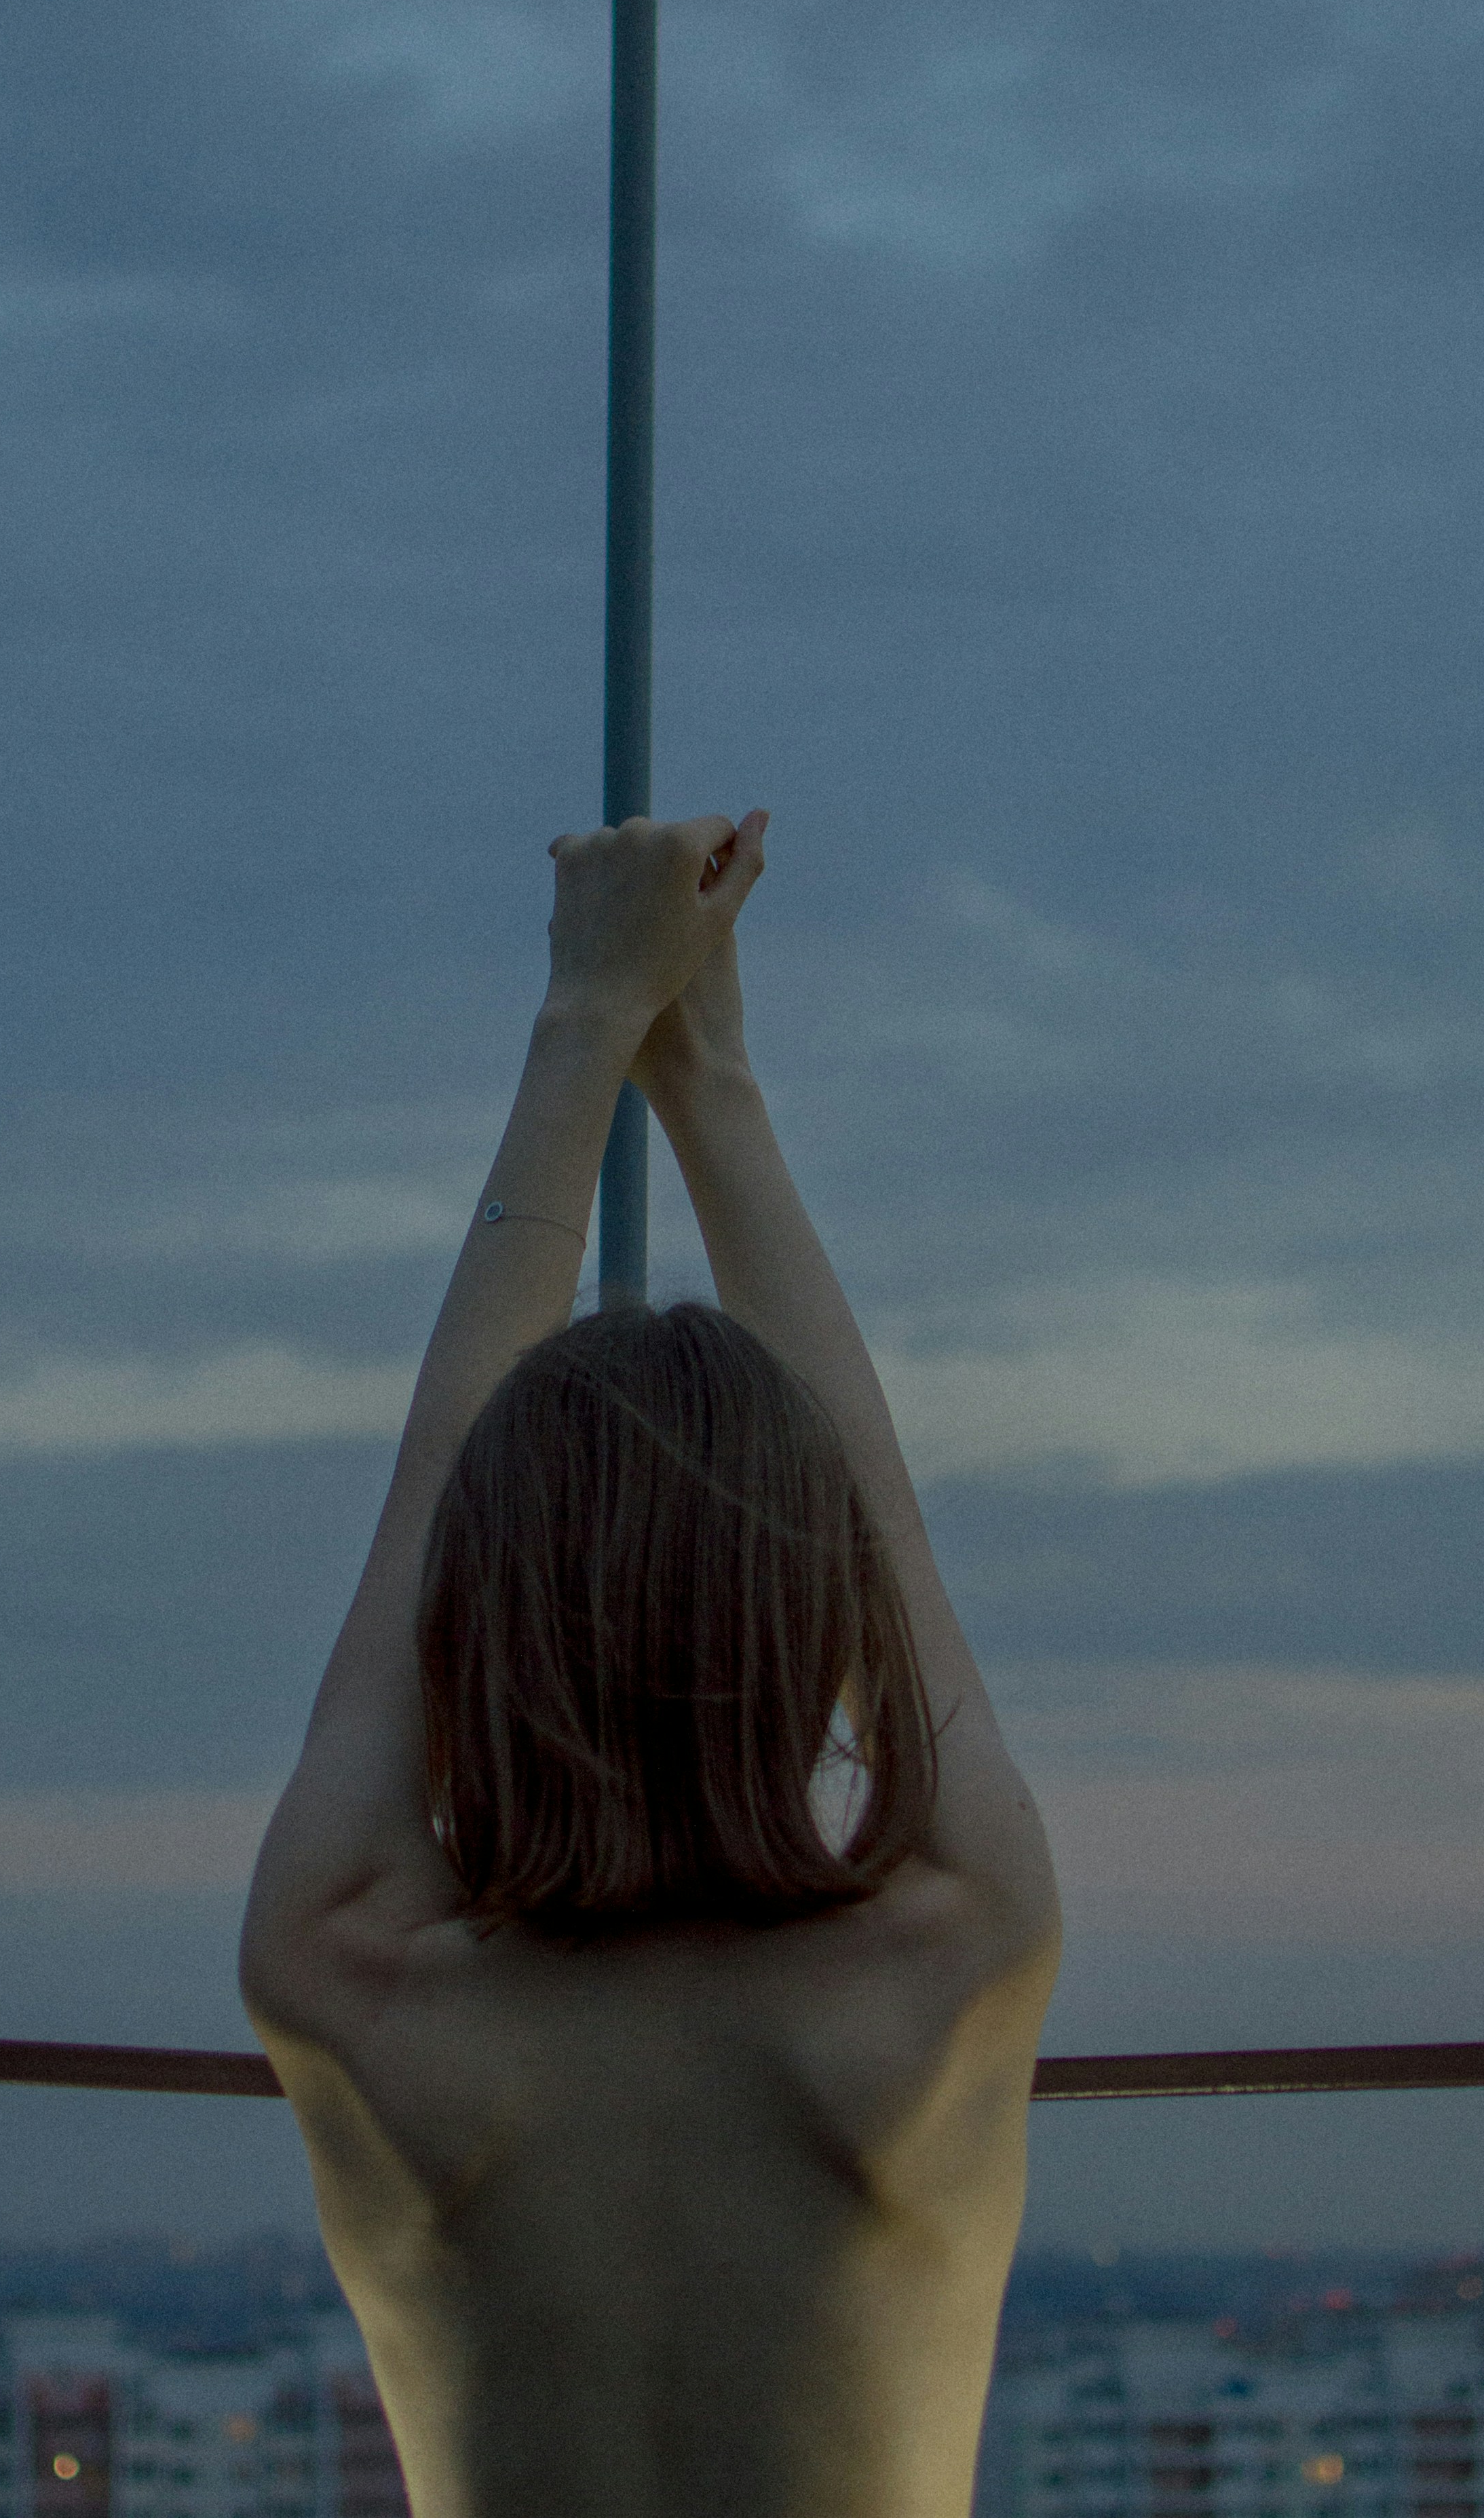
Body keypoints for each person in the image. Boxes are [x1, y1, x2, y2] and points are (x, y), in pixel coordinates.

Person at [240, 810, 1062, 2517]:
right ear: (813, 1618)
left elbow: (428, 1497)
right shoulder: (945, 1975)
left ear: (473, 1621)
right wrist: (709, 1078)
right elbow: (884, 1540)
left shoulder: (353, 1987)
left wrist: (585, 1023)